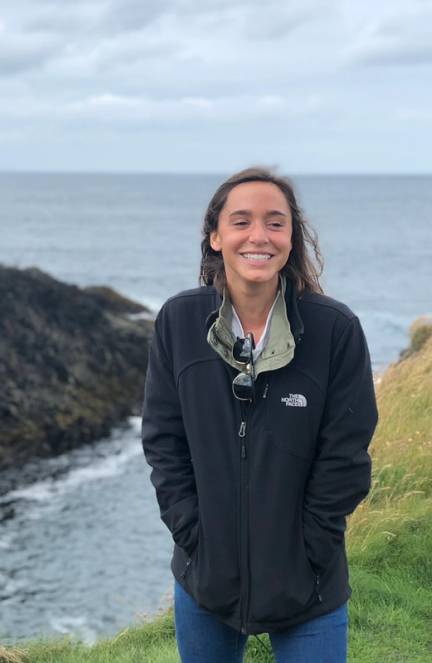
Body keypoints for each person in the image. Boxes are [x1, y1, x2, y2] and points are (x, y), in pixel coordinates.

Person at [141, 167, 378, 662]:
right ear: (215, 235)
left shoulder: (335, 330)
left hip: (309, 584)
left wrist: (311, 548)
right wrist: (193, 535)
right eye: (241, 221)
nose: (259, 236)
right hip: (205, 579)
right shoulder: (178, 322)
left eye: (275, 223)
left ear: (291, 237)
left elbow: (346, 456)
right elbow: (164, 441)